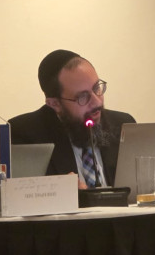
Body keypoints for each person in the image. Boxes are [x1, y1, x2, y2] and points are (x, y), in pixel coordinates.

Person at [9, 50, 135, 189]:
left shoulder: (123, 124)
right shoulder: (25, 135)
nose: (97, 101)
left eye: (96, 88)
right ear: (55, 104)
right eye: (82, 97)